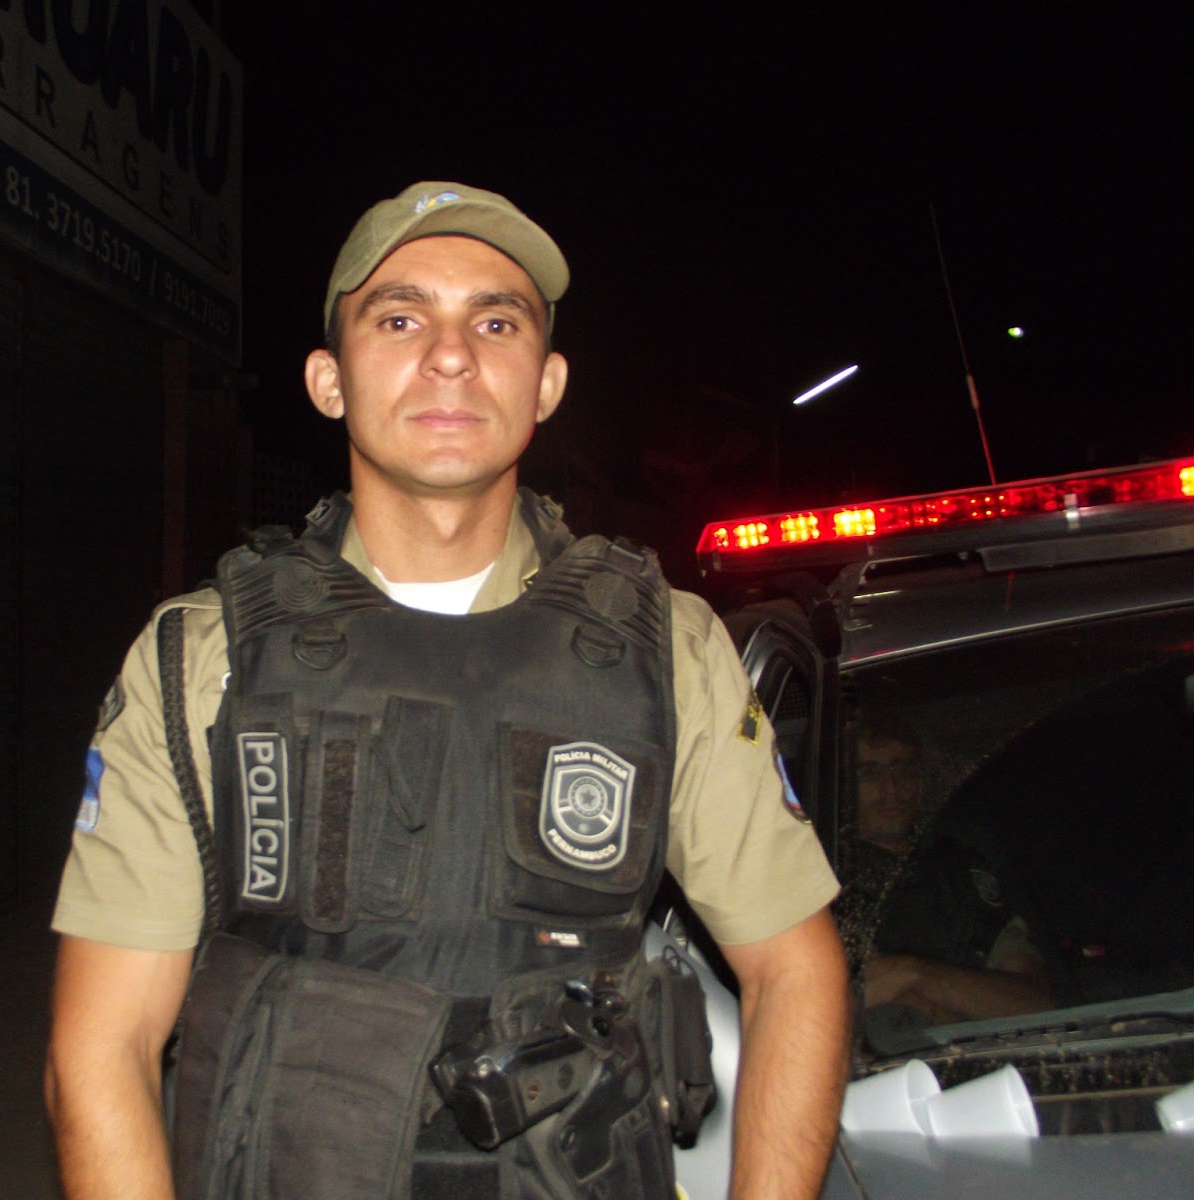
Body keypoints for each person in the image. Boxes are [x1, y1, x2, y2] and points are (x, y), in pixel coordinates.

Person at [45, 180, 850, 1200]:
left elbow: (795, 970)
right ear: (328, 380)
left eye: (496, 321)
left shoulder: (665, 646)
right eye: (399, 318)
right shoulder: (205, 654)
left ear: (546, 383)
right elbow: (102, 1048)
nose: (452, 354)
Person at [840, 718, 1054, 1027]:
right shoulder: (824, 881)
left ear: (922, 781)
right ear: (842, 786)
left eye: (903, 769)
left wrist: (912, 975)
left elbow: (1037, 1007)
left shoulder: (964, 869)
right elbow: (841, 1008)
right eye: (868, 773)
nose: (891, 789)